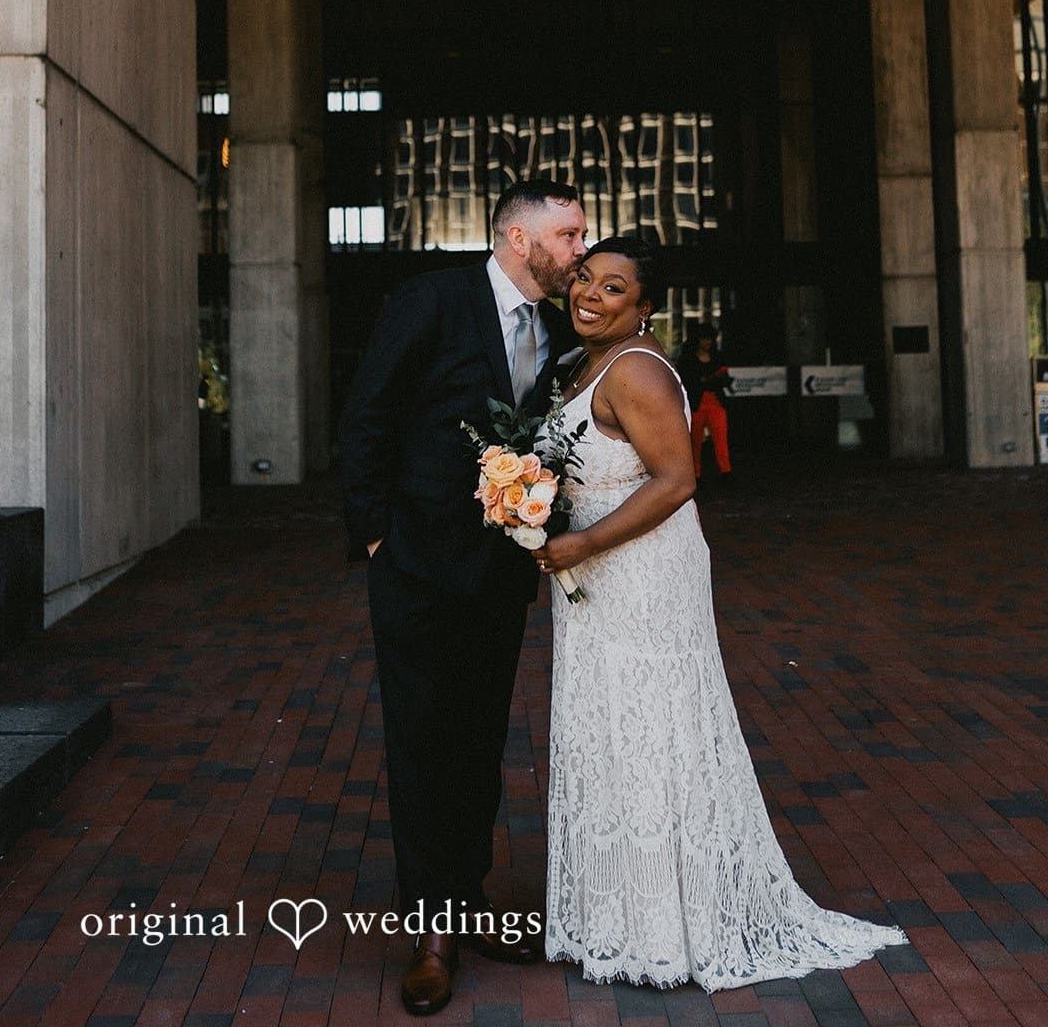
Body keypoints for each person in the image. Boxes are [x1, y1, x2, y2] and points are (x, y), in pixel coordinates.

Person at [532, 236, 906, 991]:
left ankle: (671, 925)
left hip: (638, 569)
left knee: (650, 725)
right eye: (583, 279)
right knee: (610, 724)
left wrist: (580, 543)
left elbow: (677, 480)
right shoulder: (581, 363)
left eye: (612, 288)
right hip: (592, 573)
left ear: (643, 308)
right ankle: (622, 913)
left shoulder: (635, 368)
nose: (588, 295)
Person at [339, 180, 587, 1016]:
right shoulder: (432, 300)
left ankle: (466, 902)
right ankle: (431, 934)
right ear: (519, 240)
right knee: (423, 739)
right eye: (569, 235)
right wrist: (376, 537)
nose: (579, 250)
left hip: (495, 573)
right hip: (412, 567)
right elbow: (367, 413)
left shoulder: (555, 331)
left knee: (479, 739)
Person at [676, 319, 733, 479]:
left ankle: (726, 470)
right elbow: (685, 381)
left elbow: (725, 377)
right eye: (704, 338)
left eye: (709, 338)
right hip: (697, 404)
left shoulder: (717, 357)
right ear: (697, 339)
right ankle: (695, 473)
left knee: (721, 439)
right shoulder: (687, 359)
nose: (707, 342)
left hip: (716, 403)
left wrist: (710, 380)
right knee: (694, 441)